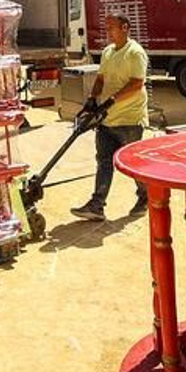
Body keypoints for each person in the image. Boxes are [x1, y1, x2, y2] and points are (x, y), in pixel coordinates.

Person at [71, 14, 149, 221]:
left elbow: (136, 84)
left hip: (129, 120)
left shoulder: (135, 53)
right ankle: (97, 205)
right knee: (104, 162)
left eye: (112, 27)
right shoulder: (107, 52)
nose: (108, 32)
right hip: (106, 118)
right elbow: (100, 79)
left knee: (132, 164)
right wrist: (92, 99)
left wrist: (112, 99)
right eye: (107, 28)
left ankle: (146, 198)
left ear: (125, 27)